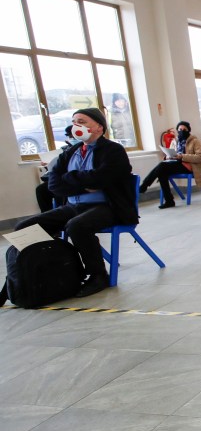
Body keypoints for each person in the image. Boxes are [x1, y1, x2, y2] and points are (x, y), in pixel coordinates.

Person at [14, 108, 136, 297]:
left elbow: (101, 179)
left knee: (77, 226)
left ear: (98, 127)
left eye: (82, 121)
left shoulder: (113, 150)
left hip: (108, 207)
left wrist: (69, 178)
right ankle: (52, 269)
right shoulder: (71, 152)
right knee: (25, 226)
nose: (76, 125)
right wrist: (82, 184)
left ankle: (98, 275)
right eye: (74, 121)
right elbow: (53, 184)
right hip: (74, 206)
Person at [139, 121, 201, 209]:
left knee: (162, 166)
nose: (182, 131)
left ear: (188, 130)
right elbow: (171, 152)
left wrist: (181, 156)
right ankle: (169, 201)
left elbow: (199, 157)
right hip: (175, 163)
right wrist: (167, 157)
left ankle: (144, 185)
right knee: (162, 172)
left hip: (190, 166)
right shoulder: (175, 141)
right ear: (177, 130)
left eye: (184, 129)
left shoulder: (195, 141)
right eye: (180, 129)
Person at [36, 125, 78, 212]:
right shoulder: (65, 149)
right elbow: (58, 165)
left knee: (59, 190)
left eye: (73, 136)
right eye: (70, 136)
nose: (72, 138)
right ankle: (46, 214)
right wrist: (49, 165)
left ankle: (62, 213)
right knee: (41, 189)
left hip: (73, 178)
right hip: (62, 177)